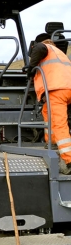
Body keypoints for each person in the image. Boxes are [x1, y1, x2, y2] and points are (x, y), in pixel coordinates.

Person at [27, 33, 71, 174]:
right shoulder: (59, 52)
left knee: (59, 123)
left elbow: (39, 48)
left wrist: (30, 68)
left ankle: (69, 160)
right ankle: (51, 142)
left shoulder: (43, 47)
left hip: (56, 90)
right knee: (47, 112)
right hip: (66, 89)